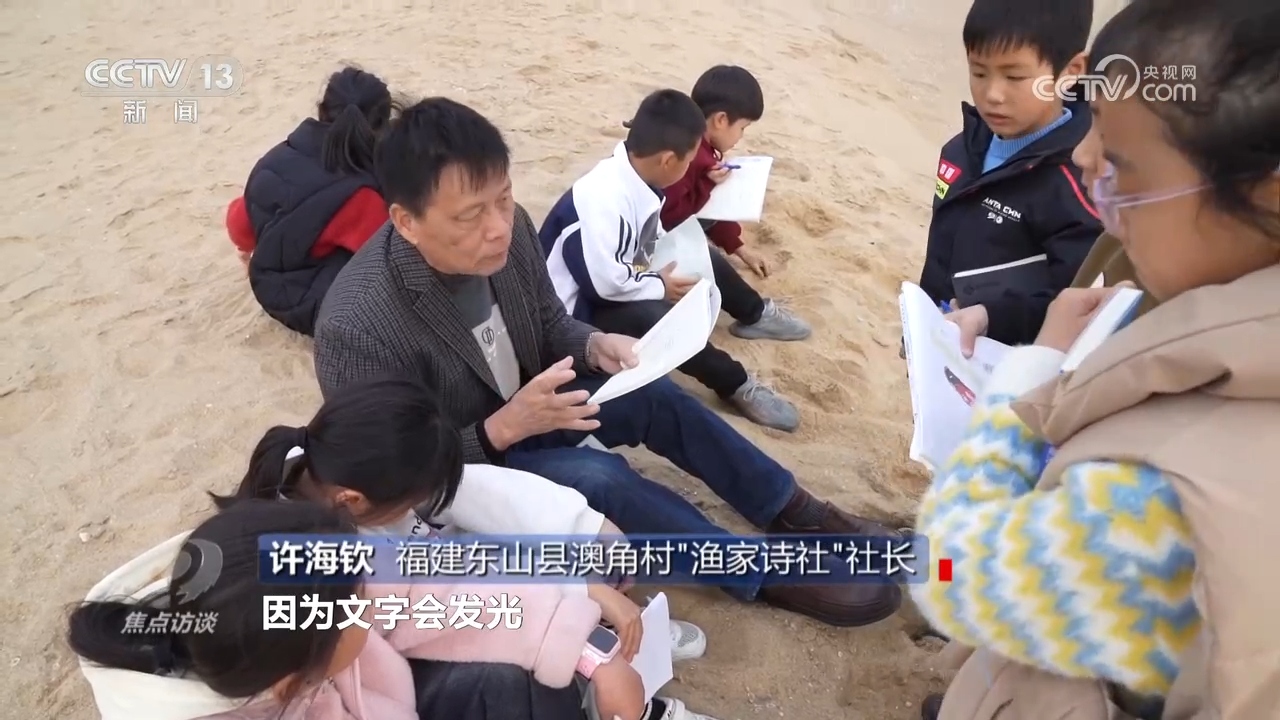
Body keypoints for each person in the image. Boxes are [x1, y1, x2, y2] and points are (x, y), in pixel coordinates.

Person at [313, 96, 902, 627]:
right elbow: (395, 477)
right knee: (601, 477)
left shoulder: (512, 230)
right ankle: (755, 570)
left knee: (656, 395)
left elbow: (548, 320)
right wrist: (502, 429)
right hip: (470, 464)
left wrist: (595, 345)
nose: (497, 228)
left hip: (535, 403)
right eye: (470, 215)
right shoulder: (357, 325)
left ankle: (791, 509)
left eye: (504, 198)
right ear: (406, 221)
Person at [911, 0, 1280, 717]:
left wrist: (1032, 374)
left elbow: (948, 567)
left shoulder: (1161, 501)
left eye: (1120, 162)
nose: (1084, 160)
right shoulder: (1203, 299)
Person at [218, 375, 712, 675]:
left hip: (443, 576)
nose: (421, 501)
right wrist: (580, 590)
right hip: (407, 641)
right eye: (413, 496)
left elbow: (475, 499)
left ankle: (604, 629)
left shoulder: (343, 473)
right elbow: (453, 584)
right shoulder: (320, 558)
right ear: (353, 501)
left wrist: (586, 532)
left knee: (583, 545)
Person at [69, 500, 648, 720]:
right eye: (358, 604)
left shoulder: (282, 591)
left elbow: (443, 596)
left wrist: (589, 655)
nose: (374, 594)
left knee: (511, 685)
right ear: (295, 682)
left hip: (374, 692)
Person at [538, 89, 801, 432]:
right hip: (573, 314)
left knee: (699, 253)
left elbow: (644, 243)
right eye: (688, 162)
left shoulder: (637, 177)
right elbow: (605, 286)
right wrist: (659, 286)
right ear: (667, 161)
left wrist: (665, 271)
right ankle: (736, 384)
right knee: (658, 319)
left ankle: (755, 314)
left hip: (620, 275)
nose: (691, 168)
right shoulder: (600, 200)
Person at [922, 0, 1103, 351]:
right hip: (941, 341)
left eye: (1015, 77)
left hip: (999, 360)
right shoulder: (962, 149)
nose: (992, 95)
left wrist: (992, 316)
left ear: (1071, 70)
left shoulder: (1079, 184)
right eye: (979, 73)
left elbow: (1077, 301)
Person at [225, 66, 395, 335]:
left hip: (265, 287)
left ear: (321, 110)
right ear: (382, 126)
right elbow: (392, 259)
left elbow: (239, 222)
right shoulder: (361, 195)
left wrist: (250, 252)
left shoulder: (274, 159)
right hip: (319, 310)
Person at [660, 65, 811, 342]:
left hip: (649, 223)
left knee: (707, 213)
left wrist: (740, 249)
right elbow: (672, 217)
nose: (741, 136)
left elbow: (708, 209)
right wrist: (707, 185)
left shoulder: (690, 136)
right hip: (643, 239)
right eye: (742, 128)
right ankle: (756, 314)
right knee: (708, 258)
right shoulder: (690, 154)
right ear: (721, 120)